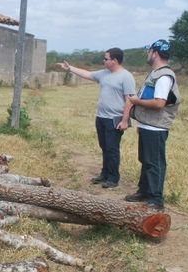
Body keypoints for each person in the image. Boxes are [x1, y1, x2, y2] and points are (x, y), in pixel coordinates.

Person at [58, 48, 136, 188]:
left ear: (115, 60)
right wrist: (70, 68)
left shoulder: (126, 77)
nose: (103, 61)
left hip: (115, 119)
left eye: (106, 59)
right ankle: (104, 174)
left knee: (112, 149)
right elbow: (87, 74)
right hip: (101, 117)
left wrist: (125, 120)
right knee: (104, 147)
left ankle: (113, 178)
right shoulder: (104, 74)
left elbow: (130, 100)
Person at [125, 39, 181, 210]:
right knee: (146, 160)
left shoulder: (163, 76)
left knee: (154, 163)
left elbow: (159, 103)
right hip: (148, 125)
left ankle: (156, 200)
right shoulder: (156, 73)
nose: (147, 54)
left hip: (156, 127)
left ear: (155, 53)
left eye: (149, 51)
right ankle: (144, 191)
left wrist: (137, 101)